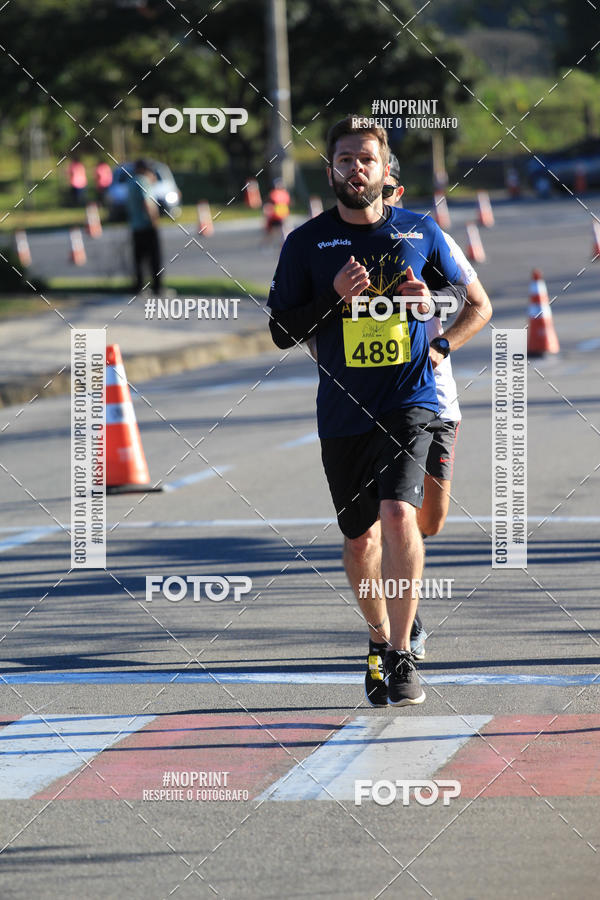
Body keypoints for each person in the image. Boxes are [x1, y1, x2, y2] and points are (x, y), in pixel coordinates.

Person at [268, 116, 466, 707]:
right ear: (331, 170)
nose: (356, 168)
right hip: (344, 412)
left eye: (367, 159)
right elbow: (280, 331)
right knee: (359, 542)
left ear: (386, 173)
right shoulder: (305, 244)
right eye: (345, 159)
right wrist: (332, 297)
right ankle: (379, 639)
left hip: (411, 399)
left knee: (400, 517)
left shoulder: (419, 231)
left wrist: (432, 308)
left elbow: (460, 296)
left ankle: (402, 656)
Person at [383, 154, 493, 660]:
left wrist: (440, 344)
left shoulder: (425, 237)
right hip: (372, 403)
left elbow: (479, 304)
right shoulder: (334, 246)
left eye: (382, 185)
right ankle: (402, 625)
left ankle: (404, 603)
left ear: (397, 192)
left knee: (429, 518)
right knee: (391, 514)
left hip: (435, 397)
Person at [126, 159, 162, 295]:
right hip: (147, 225)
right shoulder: (143, 181)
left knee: (139, 259)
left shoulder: (130, 182)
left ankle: (139, 286)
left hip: (135, 226)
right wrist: (154, 220)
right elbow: (147, 203)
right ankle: (157, 286)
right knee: (154, 258)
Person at [263, 178, 291, 245]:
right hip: (275, 215)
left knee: (284, 230)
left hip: (283, 215)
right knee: (270, 232)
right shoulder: (273, 194)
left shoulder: (285, 193)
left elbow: (287, 204)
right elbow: (269, 204)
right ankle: (266, 244)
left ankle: (284, 243)